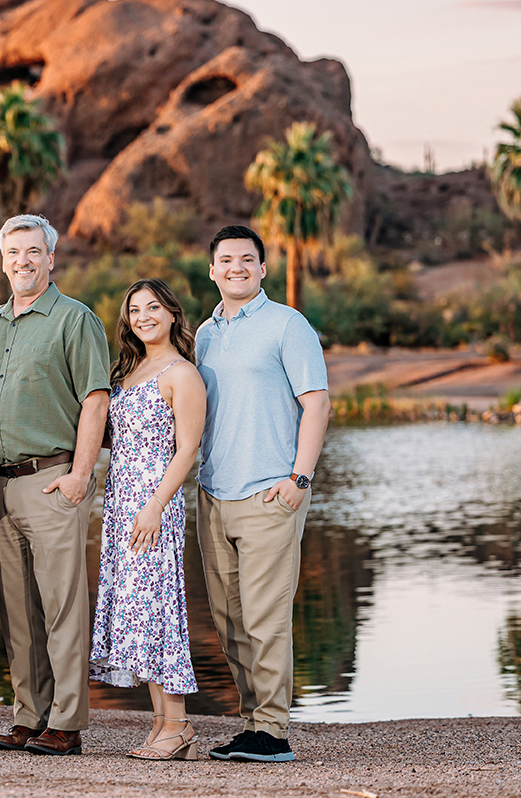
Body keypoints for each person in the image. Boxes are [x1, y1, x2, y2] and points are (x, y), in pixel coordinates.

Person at [0, 214, 111, 757]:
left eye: (33, 252)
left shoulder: (75, 320)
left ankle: (67, 721)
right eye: (14, 253)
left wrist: (81, 475)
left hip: (53, 480)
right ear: (3, 260)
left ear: (51, 258)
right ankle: (28, 716)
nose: (23, 262)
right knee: (18, 612)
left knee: (62, 607)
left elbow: (96, 399)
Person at [195, 225, 331, 763]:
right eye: (226, 260)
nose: (236, 268)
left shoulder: (287, 325)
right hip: (212, 494)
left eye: (247, 260)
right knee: (229, 622)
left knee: (265, 619)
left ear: (263, 268)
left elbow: (316, 404)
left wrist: (299, 479)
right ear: (212, 270)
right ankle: (253, 724)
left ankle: (273, 731)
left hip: (270, 495)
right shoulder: (203, 334)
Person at [90, 278, 206, 761]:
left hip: (154, 507)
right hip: (121, 507)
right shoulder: (130, 371)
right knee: (136, 608)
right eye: (135, 310)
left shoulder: (182, 374)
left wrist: (155, 504)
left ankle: (177, 724)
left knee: (158, 607)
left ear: (173, 314)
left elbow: (189, 450)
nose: (144, 316)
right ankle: (162, 724)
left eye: (153, 307)